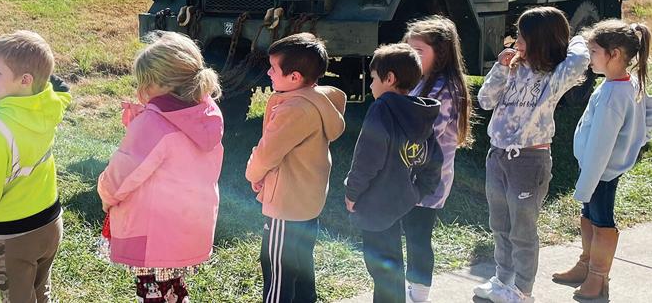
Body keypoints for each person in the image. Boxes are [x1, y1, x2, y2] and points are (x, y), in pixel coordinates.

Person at [97, 31, 223, 303]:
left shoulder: (153, 124)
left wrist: (106, 197)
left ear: (157, 84)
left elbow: (122, 175)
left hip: (153, 232)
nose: (139, 89)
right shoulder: (206, 113)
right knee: (172, 289)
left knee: (153, 292)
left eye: (143, 82)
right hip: (189, 225)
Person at [475, 7, 590, 303]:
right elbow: (485, 100)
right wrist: (500, 68)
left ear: (541, 40)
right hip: (497, 156)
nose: (516, 42)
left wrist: (575, 37)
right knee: (500, 224)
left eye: (523, 37)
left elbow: (581, 55)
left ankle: (522, 291)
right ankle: (503, 280)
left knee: (522, 231)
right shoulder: (512, 67)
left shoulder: (556, 75)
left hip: (529, 161)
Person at [0, 30, 71, 302]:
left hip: (14, 235)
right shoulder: (51, 107)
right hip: (50, 222)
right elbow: (62, 91)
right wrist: (44, 74)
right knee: (41, 291)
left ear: (25, 80)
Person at [552, 20, 652, 299]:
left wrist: (586, 182)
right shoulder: (625, 83)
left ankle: (598, 277)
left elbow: (600, 145)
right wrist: (638, 138)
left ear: (614, 54)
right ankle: (586, 265)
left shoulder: (612, 95)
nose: (590, 58)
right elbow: (647, 116)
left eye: (594, 52)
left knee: (601, 221)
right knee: (590, 216)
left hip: (600, 172)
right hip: (599, 170)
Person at [245, 32, 346, 303]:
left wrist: (253, 174)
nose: (268, 72)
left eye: (273, 68)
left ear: (294, 77)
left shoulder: (294, 110)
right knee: (301, 265)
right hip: (307, 204)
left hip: (286, 208)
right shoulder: (316, 100)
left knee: (277, 269)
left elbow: (266, 154)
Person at [345, 43, 443, 303]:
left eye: (373, 78)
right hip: (401, 202)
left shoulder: (382, 109)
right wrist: (419, 191)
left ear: (389, 78)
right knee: (392, 265)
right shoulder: (420, 112)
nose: (371, 85)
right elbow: (434, 159)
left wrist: (352, 193)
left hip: (375, 205)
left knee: (381, 268)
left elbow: (367, 158)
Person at [401, 17, 472, 303]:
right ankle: (411, 288)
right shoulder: (421, 81)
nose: (412, 56)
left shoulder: (445, 89)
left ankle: (419, 294)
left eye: (418, 51)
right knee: (411, 233)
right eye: (409, 49)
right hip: (411, 177)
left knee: (418, 237)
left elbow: (425, 132)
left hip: (428, 180)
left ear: (440, 54)